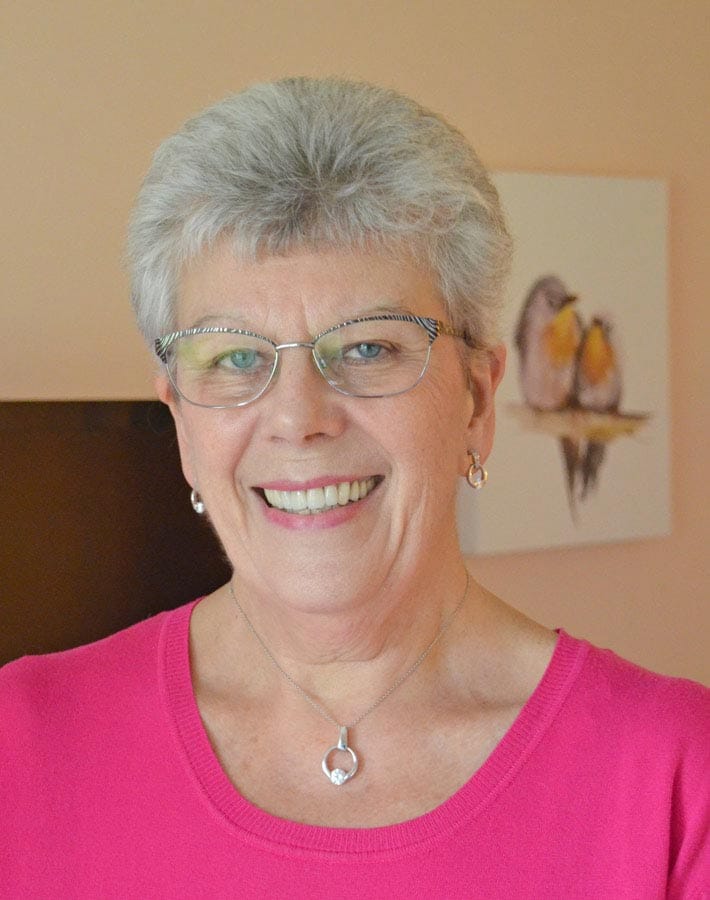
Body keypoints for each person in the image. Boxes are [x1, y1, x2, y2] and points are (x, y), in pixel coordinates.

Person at [1, 77, 707, 898]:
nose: (298, 419)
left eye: (369, 347)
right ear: (184, 425)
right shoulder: (21, 745)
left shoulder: (672, 775)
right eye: (234, 356)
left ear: (477, 401)